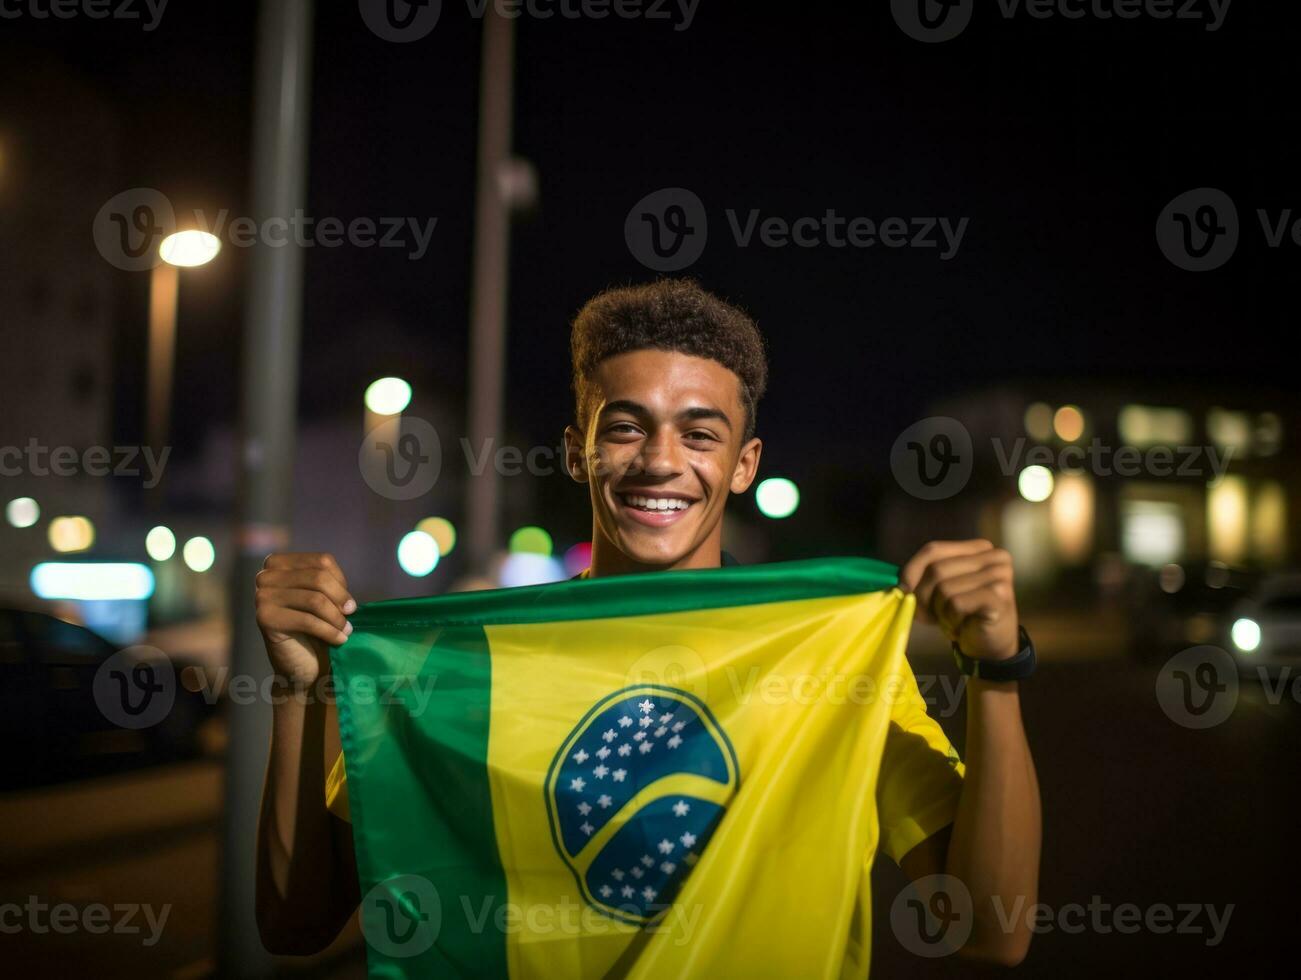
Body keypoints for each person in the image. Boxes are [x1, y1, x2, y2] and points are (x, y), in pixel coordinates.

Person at [253, 278, 1040, 965]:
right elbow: (295, 927)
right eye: (625, 427)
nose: (660, 460)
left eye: (699, 433)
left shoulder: (831, 660)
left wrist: (996, 673)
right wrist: (300, 695)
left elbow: (985, 931)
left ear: (743, 464)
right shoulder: (460, 664)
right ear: (576, 451)